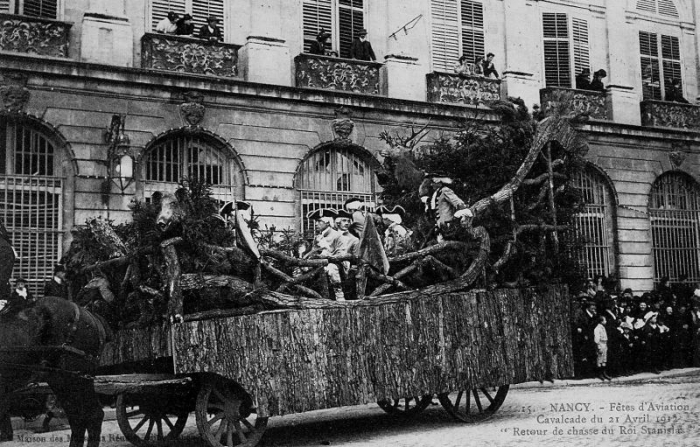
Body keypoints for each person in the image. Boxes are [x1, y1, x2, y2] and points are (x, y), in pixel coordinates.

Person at [422, 172, 472, 242]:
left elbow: (457, 202)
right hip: (440, 226)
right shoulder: (436, 193)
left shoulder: (445, 190)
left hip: (448, 225)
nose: (431, 184)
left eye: (433, 182)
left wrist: (463, 211)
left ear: (439, 181)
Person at [307, 209, 345, 301]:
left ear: (328, 223)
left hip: (334, 264)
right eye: (316, 221)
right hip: (319, 263)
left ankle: (339, 295)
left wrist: (327, 257)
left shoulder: (337, 235)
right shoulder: (318, 237)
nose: (316, 224)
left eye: (319, 221)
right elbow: (314, 252)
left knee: (331, 269)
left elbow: (341, 254)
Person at [594, 315, 611, 381]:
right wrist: (599, 347)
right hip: (600, 344)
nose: (606, 321)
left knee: (604, 359)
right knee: (599, 359)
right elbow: (597, 339)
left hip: (604, 344)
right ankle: (600, 374)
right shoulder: (597, 329)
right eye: (604, 320)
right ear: (601, 321)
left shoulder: (603, 328)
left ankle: (604, 373)